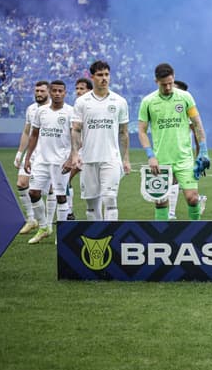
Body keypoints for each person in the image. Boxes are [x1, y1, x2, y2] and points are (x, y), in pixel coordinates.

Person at [138, 65, 209, 220]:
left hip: (184, 158)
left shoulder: (185, 97)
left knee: (193, 198)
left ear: (174, 77)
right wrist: (150, 155)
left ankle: (195, 232)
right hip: (161, 160)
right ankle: (161, 238)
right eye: (164, 84)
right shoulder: (148, 102)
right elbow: (142, 131)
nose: (168, 87)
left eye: (171, 83)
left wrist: (203, 151)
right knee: (161, 202)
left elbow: (197, 124)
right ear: (156, 81)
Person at [65, 60, 131, 221]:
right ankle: (98, 237)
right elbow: (76, 130)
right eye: (100, 75)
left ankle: (110, 237)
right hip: (88, 159)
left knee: (110, 199)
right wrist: (74, 155)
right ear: (92, 77)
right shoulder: (82, 102)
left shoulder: (120, 101)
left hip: (111, 158)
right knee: (91, 204)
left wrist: (126, 158)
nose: (104, 78)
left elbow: (123, 132)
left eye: (107, 75)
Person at [22, 80, 74, 244]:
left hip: (61, 162)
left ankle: (62, 233)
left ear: (65, 93)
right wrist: (28, 157)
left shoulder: (71, 112)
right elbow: (34, 135)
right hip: (41, 160)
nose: (57, 94)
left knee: (60, 196)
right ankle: (44, 227)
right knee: (33, 193)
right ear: (50, 92)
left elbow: (76, 137)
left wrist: (71, 158)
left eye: (61, 91)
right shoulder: (41, 111)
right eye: (55, 91)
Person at [15, 80, 49, 234]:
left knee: (49, 191)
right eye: (37, 91)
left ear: (48, 92)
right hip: (32, 153)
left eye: (42, 91)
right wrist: (20, 153)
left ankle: (48, 222)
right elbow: (27, 132)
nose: (39, 94)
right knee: (22, 183)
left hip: (49, 154)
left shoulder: (55, 109)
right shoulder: (31, 109)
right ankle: (31, 219)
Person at [65, 77, 93, 219]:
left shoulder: (92, 107)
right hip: (79, 152)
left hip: (91, 151)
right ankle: (69, 212)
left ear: (89, 90)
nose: (78, 91)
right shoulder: (75, 107)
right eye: (77, 88)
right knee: (65, 179)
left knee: (96, 188)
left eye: (82, 88)